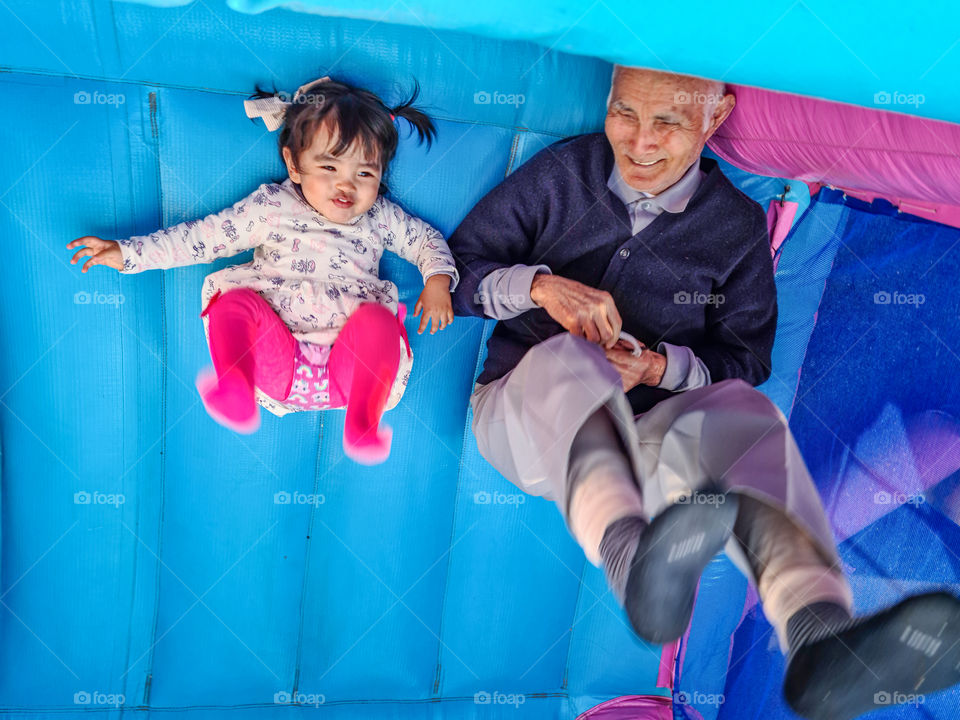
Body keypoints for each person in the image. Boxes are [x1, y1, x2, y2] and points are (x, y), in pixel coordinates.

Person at [449, 65, 960, 720]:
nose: (640, 141)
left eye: (667, 121)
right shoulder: (565, 175)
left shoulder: (734, 226)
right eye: (625, 113)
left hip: (654, 445)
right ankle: (627, 553)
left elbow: (744, 359)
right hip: (529, 418)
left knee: (742, 412)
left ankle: (816, 632)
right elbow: (458, 272)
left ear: (714, 120)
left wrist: (659, 368)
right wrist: (542, 289)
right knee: (575, 362)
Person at [67, 76, 458, 464]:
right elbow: (202, 238)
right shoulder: (271, 207)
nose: (347, 186)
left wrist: (437, 280)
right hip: (277, 362)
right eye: (328, 166)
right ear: (294, 163)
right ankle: (235, 384)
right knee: (233, 305)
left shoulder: (380, 217)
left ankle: (363, 421)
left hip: (352, 372)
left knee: (379, 322)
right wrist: (129, 253)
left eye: (365, 173)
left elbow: (426, 240)